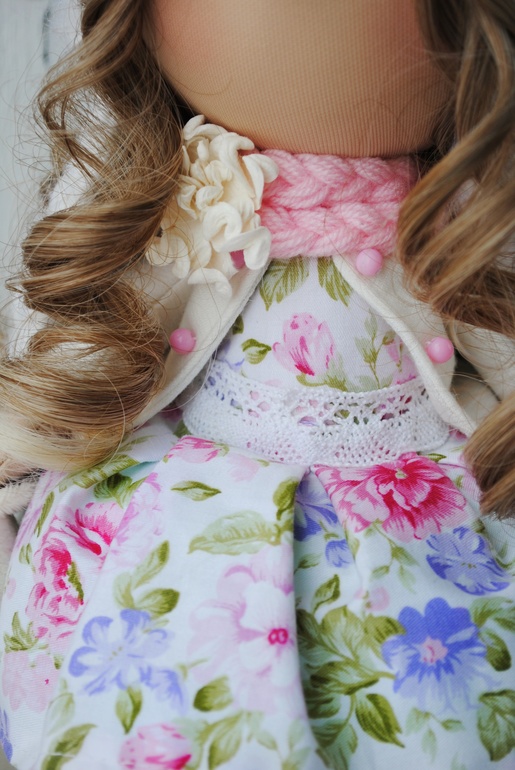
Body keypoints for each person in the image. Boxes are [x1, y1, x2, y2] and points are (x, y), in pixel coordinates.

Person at [0, 0, 514, 767]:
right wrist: (29, 442)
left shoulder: (467, 222)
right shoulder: (183, 205)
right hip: (177, 519)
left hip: (418, 524)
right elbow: (84, 345)